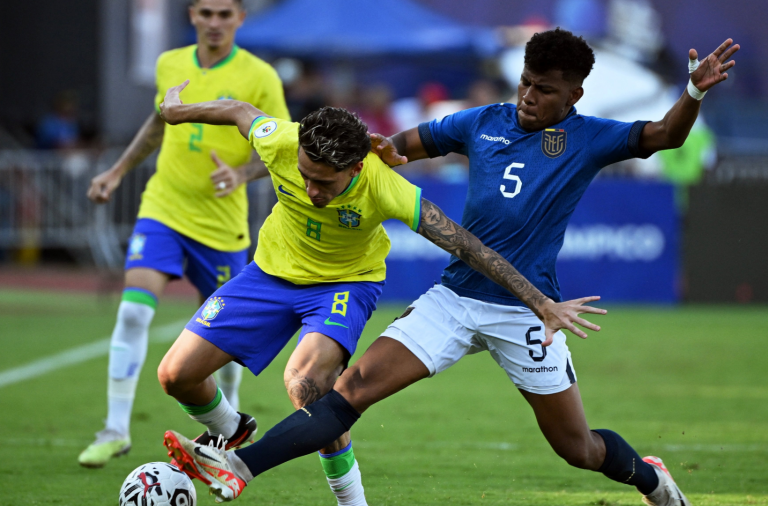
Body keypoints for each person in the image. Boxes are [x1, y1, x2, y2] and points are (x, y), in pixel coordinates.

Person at [163, 30, 739, 506]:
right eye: (525, 83)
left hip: (525, 312)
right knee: (349, 390)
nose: (529, 97)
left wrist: (691, 90)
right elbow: (394, 148)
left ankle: (650, 477)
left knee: (578, 448)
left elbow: (664, 135)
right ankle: (238, 466)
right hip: (456, 298)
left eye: (545, 90)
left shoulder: (589, 138)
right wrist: (347, 149)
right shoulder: (480, 122)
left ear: (575, 95)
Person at [155, 77, 600, 504]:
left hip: (344, 284)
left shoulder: (385, 186)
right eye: (305, 176)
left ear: (356, 166)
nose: (311, 191)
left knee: (308, 385)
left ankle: (351, 502)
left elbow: (467, 245)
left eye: (324, 183)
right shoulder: (281, 141)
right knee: (175, 376)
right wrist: (177, 112)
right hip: (269, 274)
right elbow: (238, 110)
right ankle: (228, 428)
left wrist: (539, 301)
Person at [78, 0, 290, 471]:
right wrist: (117, 171)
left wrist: (240, 173)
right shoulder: (169, 64)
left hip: (220, 224)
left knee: (225, 337)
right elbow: (157, 123)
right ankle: (114, 429)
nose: (214, 22)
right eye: (206, 13)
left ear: (239, 18)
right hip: (163, 208)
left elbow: (279, 143)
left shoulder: (260, 76)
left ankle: (224, 430)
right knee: (134, 311)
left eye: (224, 14)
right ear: (191, 14)